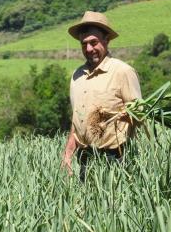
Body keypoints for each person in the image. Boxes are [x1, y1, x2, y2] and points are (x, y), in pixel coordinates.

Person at [61, 11, 142, 182]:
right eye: (84, 44)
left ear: (107, 40)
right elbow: (77, 120)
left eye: (94, 42)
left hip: (116, 158)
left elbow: (140, 114)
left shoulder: (122, 72)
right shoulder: (77, 76)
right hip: (85, 158)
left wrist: (115, 116)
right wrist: (68, 153)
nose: (89, 49)